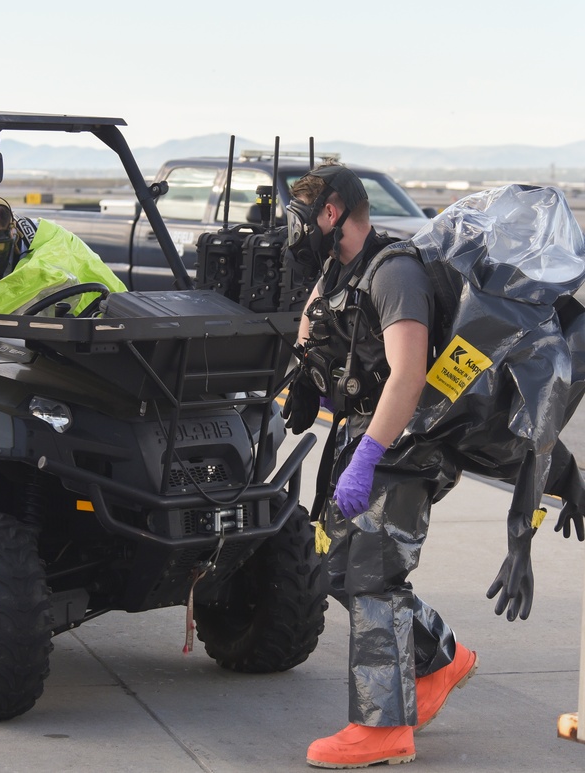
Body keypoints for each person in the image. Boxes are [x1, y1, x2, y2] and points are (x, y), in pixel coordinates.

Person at [282, 164, 477, 768]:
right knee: (339, 568)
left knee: (370, 574)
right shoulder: (337, 266)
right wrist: (304, 381)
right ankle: (443, 659)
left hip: (406, 440)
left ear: (332, 212)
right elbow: (314, 322)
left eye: (299, 218)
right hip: (366, 431)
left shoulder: (394, 272)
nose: (292, 232)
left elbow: (409, 374)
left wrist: (366, 458)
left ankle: (382, 730)